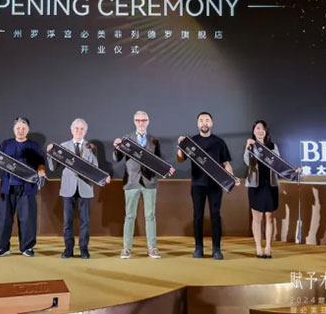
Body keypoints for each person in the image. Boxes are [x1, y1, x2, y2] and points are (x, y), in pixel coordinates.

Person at [177, 112, 240, 260]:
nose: (204, 123)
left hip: (215, 185)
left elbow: (226, 163)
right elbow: (180, 159)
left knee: (215, 216)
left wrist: (232, 177)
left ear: (211, 123)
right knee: (197, 216)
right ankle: (198, 248)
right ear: (197, 124)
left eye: (207, 120)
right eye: (201, 120)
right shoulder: (191, 142)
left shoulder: (219, 142)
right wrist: (180, 146)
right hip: (197, 184)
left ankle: (216, 249)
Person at [114, 110, 174, 259]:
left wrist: (167, 168)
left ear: (148, 121)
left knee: (150, 216)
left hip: (150, 182)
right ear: (134, 122)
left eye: (144, 120)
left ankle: (152, 248)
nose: (141, 123)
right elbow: (117, 158)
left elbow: (159, 160)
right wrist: (116, 147)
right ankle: (126, 248)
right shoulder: (126, 139)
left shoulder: (154, 140)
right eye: (138, 120)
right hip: (131, 182)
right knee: (129, 216)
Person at [47, 118, 111, 259]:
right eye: (76, 128)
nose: (79, 131)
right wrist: (50, 154)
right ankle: (68, 249)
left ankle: (84, 249)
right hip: (68, 188)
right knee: (67, 222)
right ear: (71, 130)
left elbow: (95, 168)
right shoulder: (63, 146)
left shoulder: (91, 147)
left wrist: (103, 177)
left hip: (85, 187)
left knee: (85, 222)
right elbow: (52, 168)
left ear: (85, 131)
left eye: (82, 129)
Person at [0, 117, 46, 257]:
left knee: (27, 218)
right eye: (18, 128)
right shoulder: (5, 144)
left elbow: (41, 162)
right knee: (4, 218)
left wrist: (41, 170)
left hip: (27, 187)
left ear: (28, 130)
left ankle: (26, 247)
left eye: (23, 128)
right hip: (7, 187)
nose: (20, 131)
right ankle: (3, 247)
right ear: (14, 129)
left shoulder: (34, 146)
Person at [243, 120, 289, 259]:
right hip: (255, 185)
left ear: (266, 131)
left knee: (269, 217)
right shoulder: (251, 145)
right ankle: (258, 247)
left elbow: (279, 164)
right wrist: (248, 147)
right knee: (256, 218)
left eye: (263, 128)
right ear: (253, 131)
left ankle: (268, 246)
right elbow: (247, 162)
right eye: (258, 128)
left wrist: (293, 171)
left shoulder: (272, 146)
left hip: (270, 185)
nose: (260, 131)